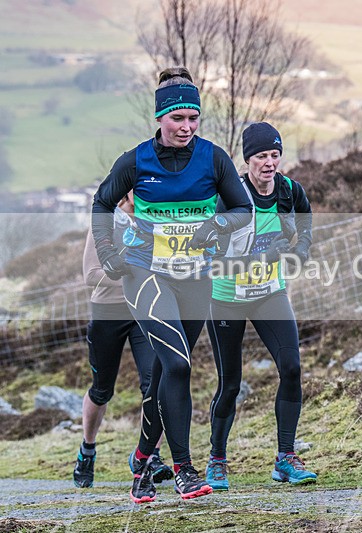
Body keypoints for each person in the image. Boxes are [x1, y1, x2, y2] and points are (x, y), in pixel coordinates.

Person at [91, 67, 252, 503]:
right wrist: (107, 252)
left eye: (193, 118)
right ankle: (183, 469)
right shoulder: (136, 160)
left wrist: (216, 224)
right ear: (160, 118)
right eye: (177, 118)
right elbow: (102, 202)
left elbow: (242, 209)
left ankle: (142, 460)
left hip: (195, 277)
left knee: (165, 373)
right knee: (179, 366)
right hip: (145, 272)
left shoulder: (213, 158)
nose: (186, 127)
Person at [204, 122, 316, 491]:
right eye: (261, 156)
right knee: (230, 384)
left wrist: (301, 248)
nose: (269, 163)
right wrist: (261, 258)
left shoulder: (288, 190)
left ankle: (286, 458)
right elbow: (210, 261)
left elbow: (305, 218)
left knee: (292, 368)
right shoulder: (230, 197)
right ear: (247, 159)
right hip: (227, 298)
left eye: (274, 155)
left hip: (270, 293)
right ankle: (217, 461)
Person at [73, 192, 171, 489]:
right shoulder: (105, 222)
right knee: (102, 390)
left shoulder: (155, 222)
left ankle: (149, 455)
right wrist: (132, 272)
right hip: (108, 313)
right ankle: (87, 450)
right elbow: (91, 275)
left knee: (155, 384)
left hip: (143, 310)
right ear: (126, 192)